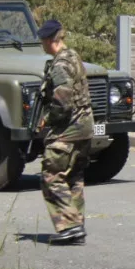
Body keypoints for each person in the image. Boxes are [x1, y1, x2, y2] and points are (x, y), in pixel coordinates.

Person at [37, 19, 94, 245]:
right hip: (85, 127)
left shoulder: (60, 65)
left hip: (70, 128)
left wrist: (47, 120)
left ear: (51, 41)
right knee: (74, 177)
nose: (42, 45)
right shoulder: (73, 56)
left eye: (43, 41)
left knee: (51, 175)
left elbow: (62, 102)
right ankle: (76, 226)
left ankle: (70, 225)